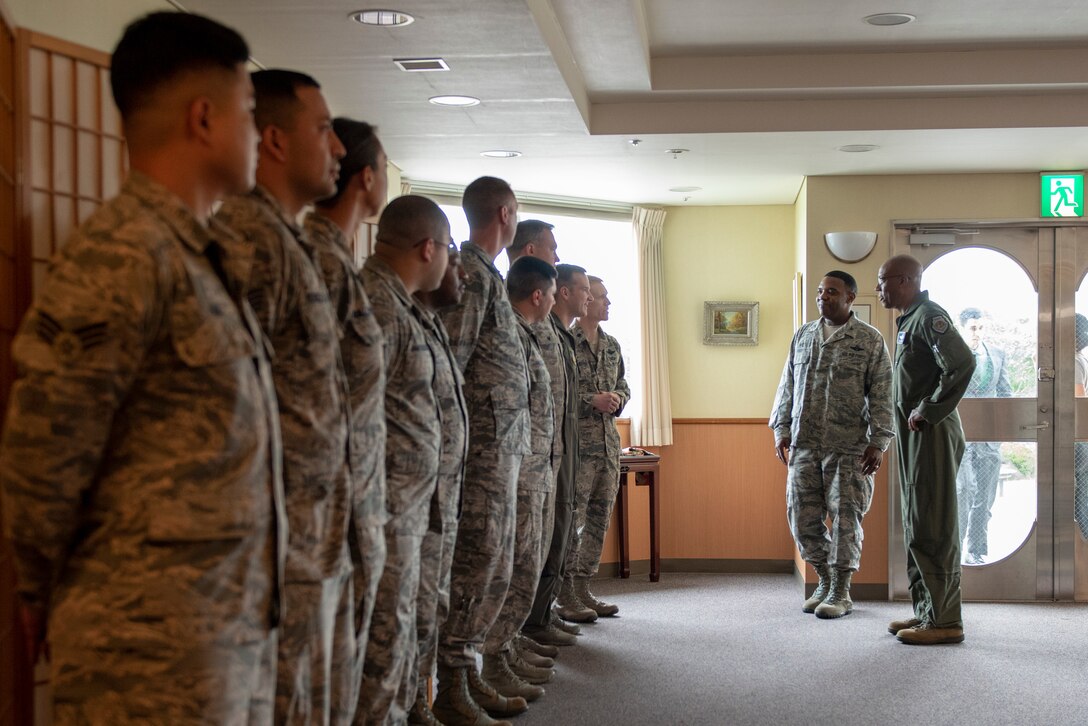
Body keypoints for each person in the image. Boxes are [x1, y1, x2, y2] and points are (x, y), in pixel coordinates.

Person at [0, 12, 287, 722]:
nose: (255, 135)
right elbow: (45, 451)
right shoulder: (123, 254)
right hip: (142, 642)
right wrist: (36, 591)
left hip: (218, 629)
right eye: (248, 113)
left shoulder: (197, 256)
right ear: (203, 118)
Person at [215, 69, 357, 721]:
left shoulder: (292, 241)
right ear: (274, 140)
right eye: (323, 129)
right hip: (279, 542)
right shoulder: (247, 241)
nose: (337, 149)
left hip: (315, 531)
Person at [433, 176, 531, 726]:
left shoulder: (489, 275)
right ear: (504, 212)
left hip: (505, 453)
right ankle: (451, 684)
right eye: (516, 213)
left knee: (493, 566)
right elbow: (452, 363)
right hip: (482, 456)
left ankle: (469, 671)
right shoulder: (470, 275)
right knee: (475, 567)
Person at [302, 117, 390, 720]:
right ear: (367, 179)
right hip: (319, 517)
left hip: (355, 503)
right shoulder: (314, 262)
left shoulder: (337, 262)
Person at [358, 195, 449, 724]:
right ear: (428, 248)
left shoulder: (409, 306)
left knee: (409, 633)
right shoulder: (372, 302)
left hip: (414, 508)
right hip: (384, 514)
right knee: (381, 651)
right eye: (447, 250)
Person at [770, 271, 894, 619]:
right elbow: (787, 385)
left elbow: (884, 394)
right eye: (821, 292)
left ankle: (841, 591)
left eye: (832, 292)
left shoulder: (868, 340)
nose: (823, 297)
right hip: (804, 446)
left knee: (845, 520)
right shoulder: (804, 335)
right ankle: (823, 579)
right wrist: (781, 428)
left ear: (850, 297)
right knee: (802, 518)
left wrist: (879, 442)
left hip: (849, 448)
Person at [877, 254, 975, 645]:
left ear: (905, 280)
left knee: (932, 524)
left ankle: (945, 621)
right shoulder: (911, 319)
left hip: (931, 430)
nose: (879, 289)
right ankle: (926, 611)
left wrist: (929, 408)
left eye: (883, 281)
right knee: (917, 521)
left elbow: (962, 362)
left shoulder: (930, 315)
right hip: (915, 433)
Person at [480, 256, 558, 702]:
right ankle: (492, 658)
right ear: (537, 295)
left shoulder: (525, 333)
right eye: (550, 294)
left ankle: (505, 647)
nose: (551, 301)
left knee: (525, 567)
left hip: (533, 469)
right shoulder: (508, 332)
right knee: (514, 569)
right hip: (517, 472)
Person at [410, 244, 470, 726]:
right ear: (429, 252)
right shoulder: (389, 313)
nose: (462, 274)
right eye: (454, 261)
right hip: (401, 502)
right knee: (402, 616)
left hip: (438, 493)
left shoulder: (429, 322)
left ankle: (424, 702)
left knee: (431, 604)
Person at [562, 275, 631, 620]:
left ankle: (584, 588)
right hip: (577, 450)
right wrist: (593, 400)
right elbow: (555, 395)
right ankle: (564, 594)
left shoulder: (613, 345)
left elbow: (624, 385)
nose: (607, 303)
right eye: (602, 297)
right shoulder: (565, 341)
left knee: (598, 521)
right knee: (571, 522)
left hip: (608, 448)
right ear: (586, 301)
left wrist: (618, 398)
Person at [955, 307, 1012, 566]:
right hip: (961, 438)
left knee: (985, 499)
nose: (977, 332)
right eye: (972, 328)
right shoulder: (953, 355)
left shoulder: (998, 355)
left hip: (989, 439)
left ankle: (976, 550)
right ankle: (955, 549)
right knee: (963, 491)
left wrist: (1003, 434)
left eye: (981, 327)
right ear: (962, 328)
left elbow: (1005, 394)